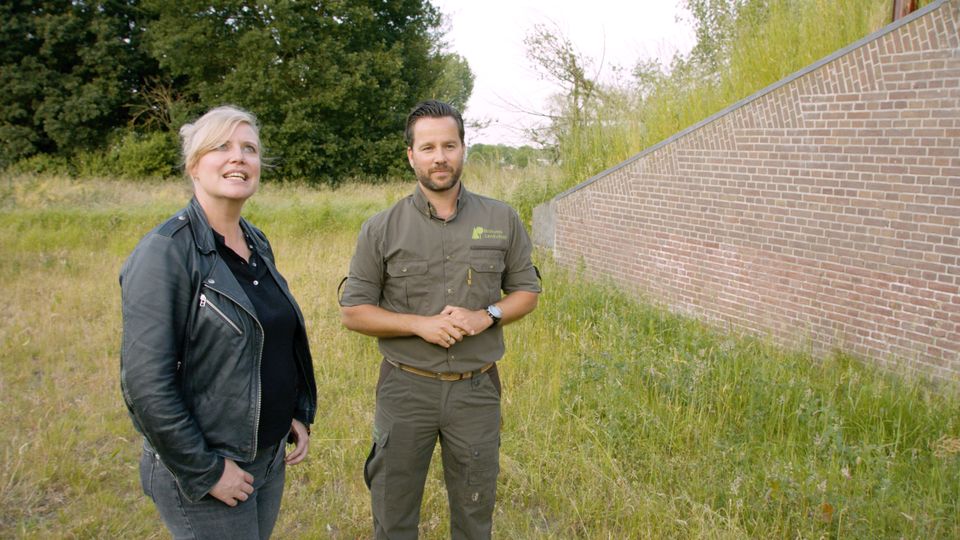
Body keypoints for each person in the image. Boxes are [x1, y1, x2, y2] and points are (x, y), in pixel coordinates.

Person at [339, 100, 541, 539]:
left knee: (474, 513)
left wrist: (486, 316)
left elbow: (527, 292)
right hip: (405, 389)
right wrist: (419, 325)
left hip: (476, 392)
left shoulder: (501, 218)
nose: (440, 157)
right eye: (428, 148)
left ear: (464, 148)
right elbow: (353, 311)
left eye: (449, 145)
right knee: (393, 514)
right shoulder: (381, 228)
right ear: (411, 155)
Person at [120, 105, 317, 539]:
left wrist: (291, 413)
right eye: (222, 146)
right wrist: (205, 470)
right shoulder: (165, 252)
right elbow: (145, 385)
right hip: (211, 467)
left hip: (266, 456)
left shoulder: (256, 241)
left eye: (249, 149)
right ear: (194, 164)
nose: (238, 157)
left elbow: (264, 342)